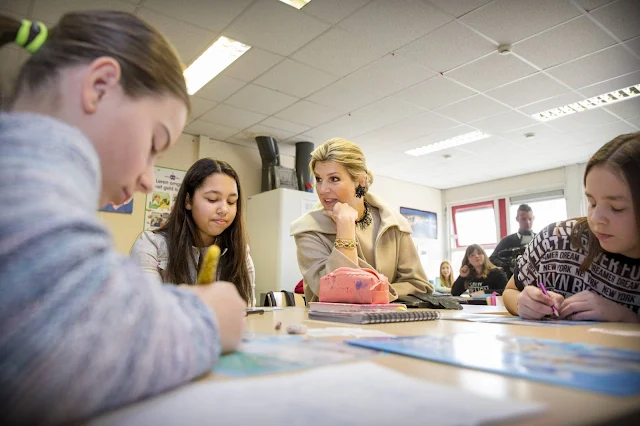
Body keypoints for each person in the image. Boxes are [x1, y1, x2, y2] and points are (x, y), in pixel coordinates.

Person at [0, 11, 246, 425]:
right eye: (154, 143)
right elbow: (66, 347)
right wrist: (205, 319)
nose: (148, 180)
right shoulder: (22, 169)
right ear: (99, 86)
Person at [503, 133, 640, 323]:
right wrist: (521, 302)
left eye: (616, 208)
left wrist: (627, 318)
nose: (596, 218)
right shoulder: (555, 239)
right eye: (591, 202)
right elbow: (510, 291)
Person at [290, 137, 432, 303]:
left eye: (334, 179)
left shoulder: (394, 224)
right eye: (318, 179)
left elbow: (419, 285)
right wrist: (345, 229)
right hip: (329, 326)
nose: (322, 189)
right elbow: (338, 292)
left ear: (360, 180)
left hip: (392, 323)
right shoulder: (308, 230)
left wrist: (374, 291)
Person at [131, 158, 256, 306]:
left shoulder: (241, 253)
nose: (224, 210)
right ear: (188, 201)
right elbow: (148, 312)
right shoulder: (151, 246)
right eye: (212, 199)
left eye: (231, 202)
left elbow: (248, 309)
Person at [489, 204, 535, 279]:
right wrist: (508, 265)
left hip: (535, 281)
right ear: (517, 218)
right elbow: (492, 258)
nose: (528, 222)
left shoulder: (538, 238)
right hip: (512, 281)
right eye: (524, 219)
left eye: (530, 219)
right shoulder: (506, 240)